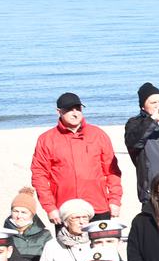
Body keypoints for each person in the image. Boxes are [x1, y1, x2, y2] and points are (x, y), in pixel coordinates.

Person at [31, 92, 124, 223]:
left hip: (98, 206)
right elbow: (39, 175)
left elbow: (112, 171)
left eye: (78, 109)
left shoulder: (98, 134)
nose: (75, 113)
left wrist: (115, 200)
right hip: (65, 208)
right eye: (69, 109)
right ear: (59, 112)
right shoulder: (46, 139)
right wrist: (50, 208)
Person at [5, 187, 51, 261]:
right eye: (15, 211)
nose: (19, 216)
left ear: (32, 214)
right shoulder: (4, 234)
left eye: (24, 212)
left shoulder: (45, 236)